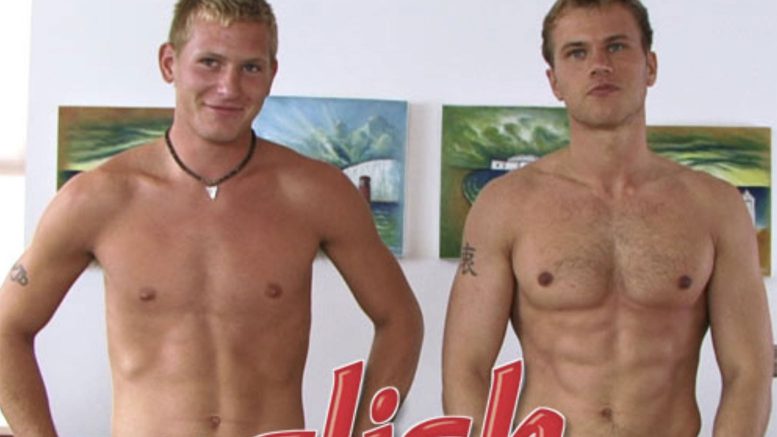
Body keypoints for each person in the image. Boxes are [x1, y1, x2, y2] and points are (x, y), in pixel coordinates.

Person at [0, 1, 423, 436]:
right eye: (210, 63)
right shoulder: (98, 198)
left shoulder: (316, 193)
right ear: (169, 63)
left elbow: (401, 320)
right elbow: (7, 327)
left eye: (250, 68)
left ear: (272, 74)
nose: (229, 87)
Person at [442, 0, 773, 435]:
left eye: (616, 46)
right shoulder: (505, 205)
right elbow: (465, 367)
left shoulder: (715, 207)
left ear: (650, 66)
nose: (599, 65)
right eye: (577, 52)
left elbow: (749, 370)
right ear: (554, 81)